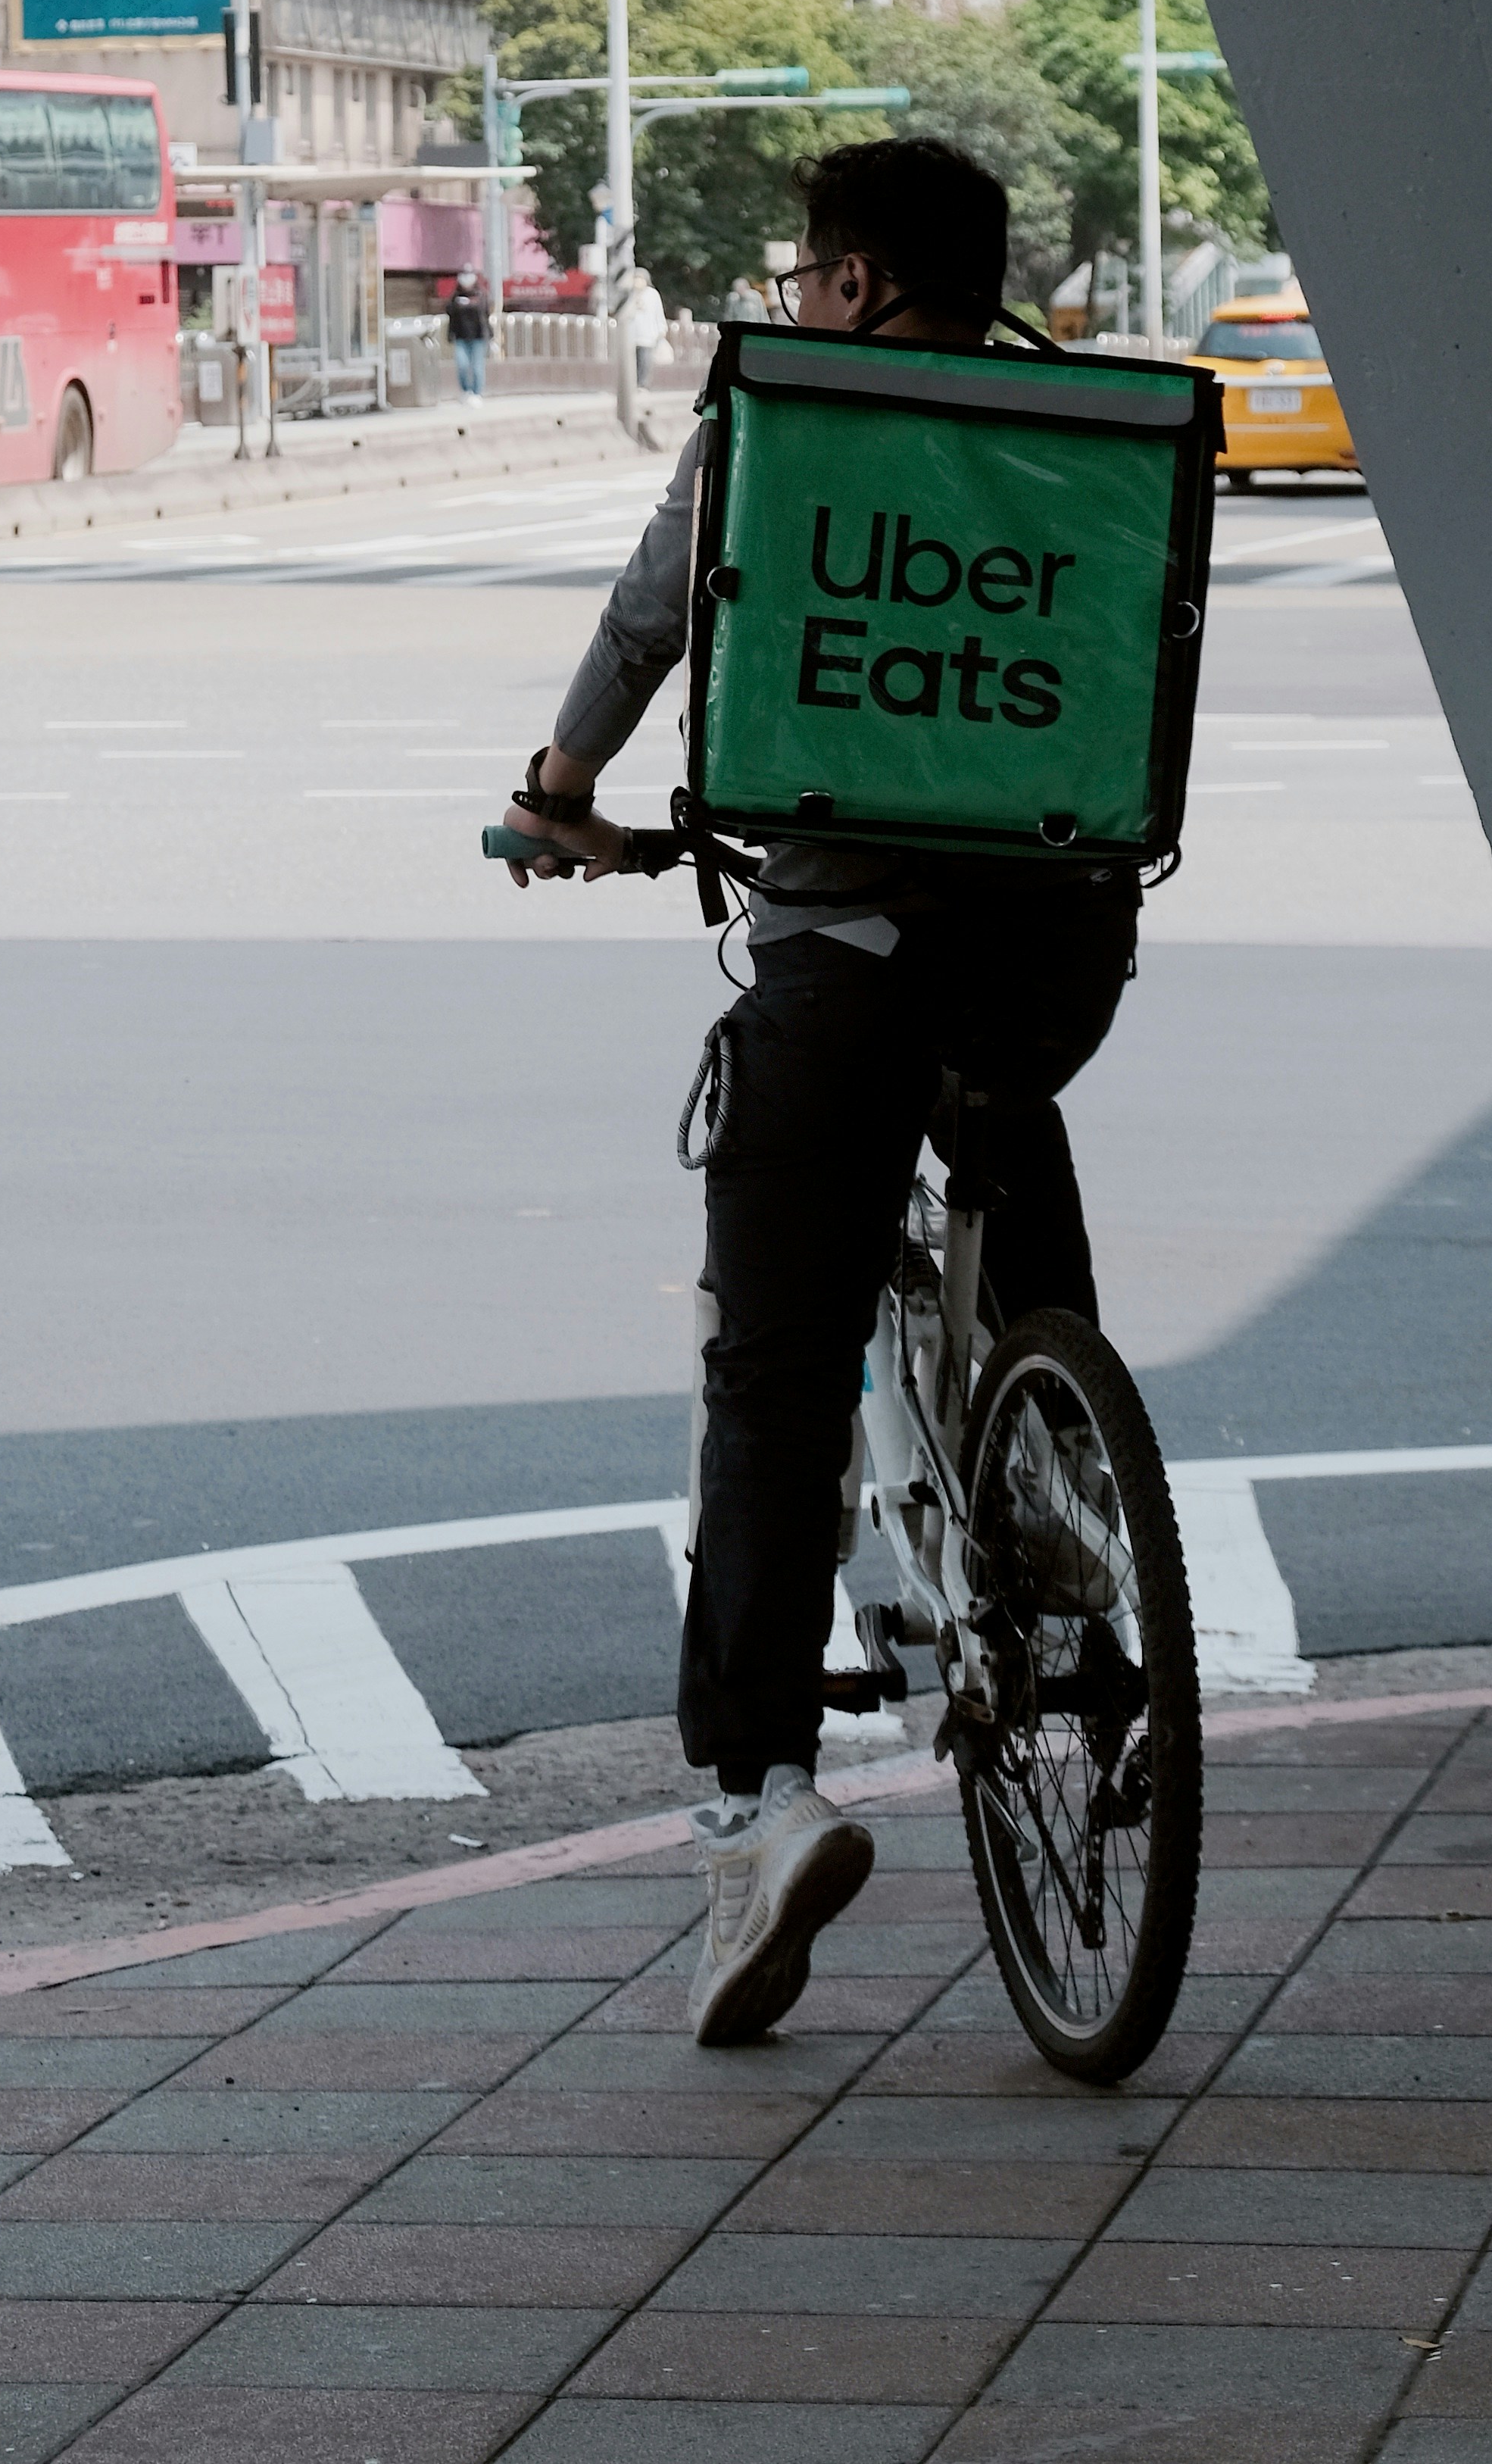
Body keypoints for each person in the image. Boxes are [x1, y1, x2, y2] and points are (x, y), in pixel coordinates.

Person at [497, 135, 1140, 2048]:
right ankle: (1079, 1561)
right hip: (1050, 960)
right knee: (1013, 1202)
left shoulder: (784, 423)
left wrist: (555, 797)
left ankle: (760, 1801)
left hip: (841, 965)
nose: (785, 298)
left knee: (771, 1373)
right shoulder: (1083, 433)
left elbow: (646, 614)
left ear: (856, 283)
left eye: (799, 267)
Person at [445, 268, 492, 398]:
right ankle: (466, 390)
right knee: (462, 365)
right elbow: (450, 312)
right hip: (460, 336)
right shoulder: (455, 296)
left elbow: (485, 312)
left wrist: (468, 305)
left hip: (478, 336)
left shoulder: (481, 295)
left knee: (477, 367)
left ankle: (477, 393)